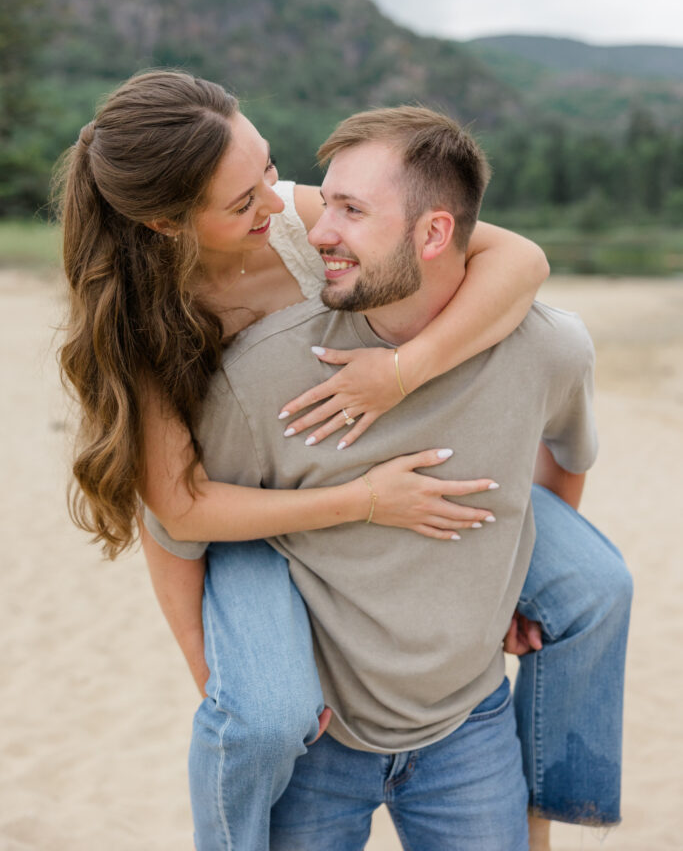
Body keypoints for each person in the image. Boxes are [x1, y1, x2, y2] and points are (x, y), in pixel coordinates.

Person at [57, 73, 631, 850]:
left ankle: (541, 808)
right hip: (260, 508)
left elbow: (519, 259)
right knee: (263, 715)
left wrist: (404, 371)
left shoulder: (297, 214)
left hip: (382, 454)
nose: (275, 200)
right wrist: (216, 675)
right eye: (241, 200)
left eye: (265, 166)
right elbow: (179, 512)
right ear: (165, 223)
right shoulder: (141, 322)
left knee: (595, 587)